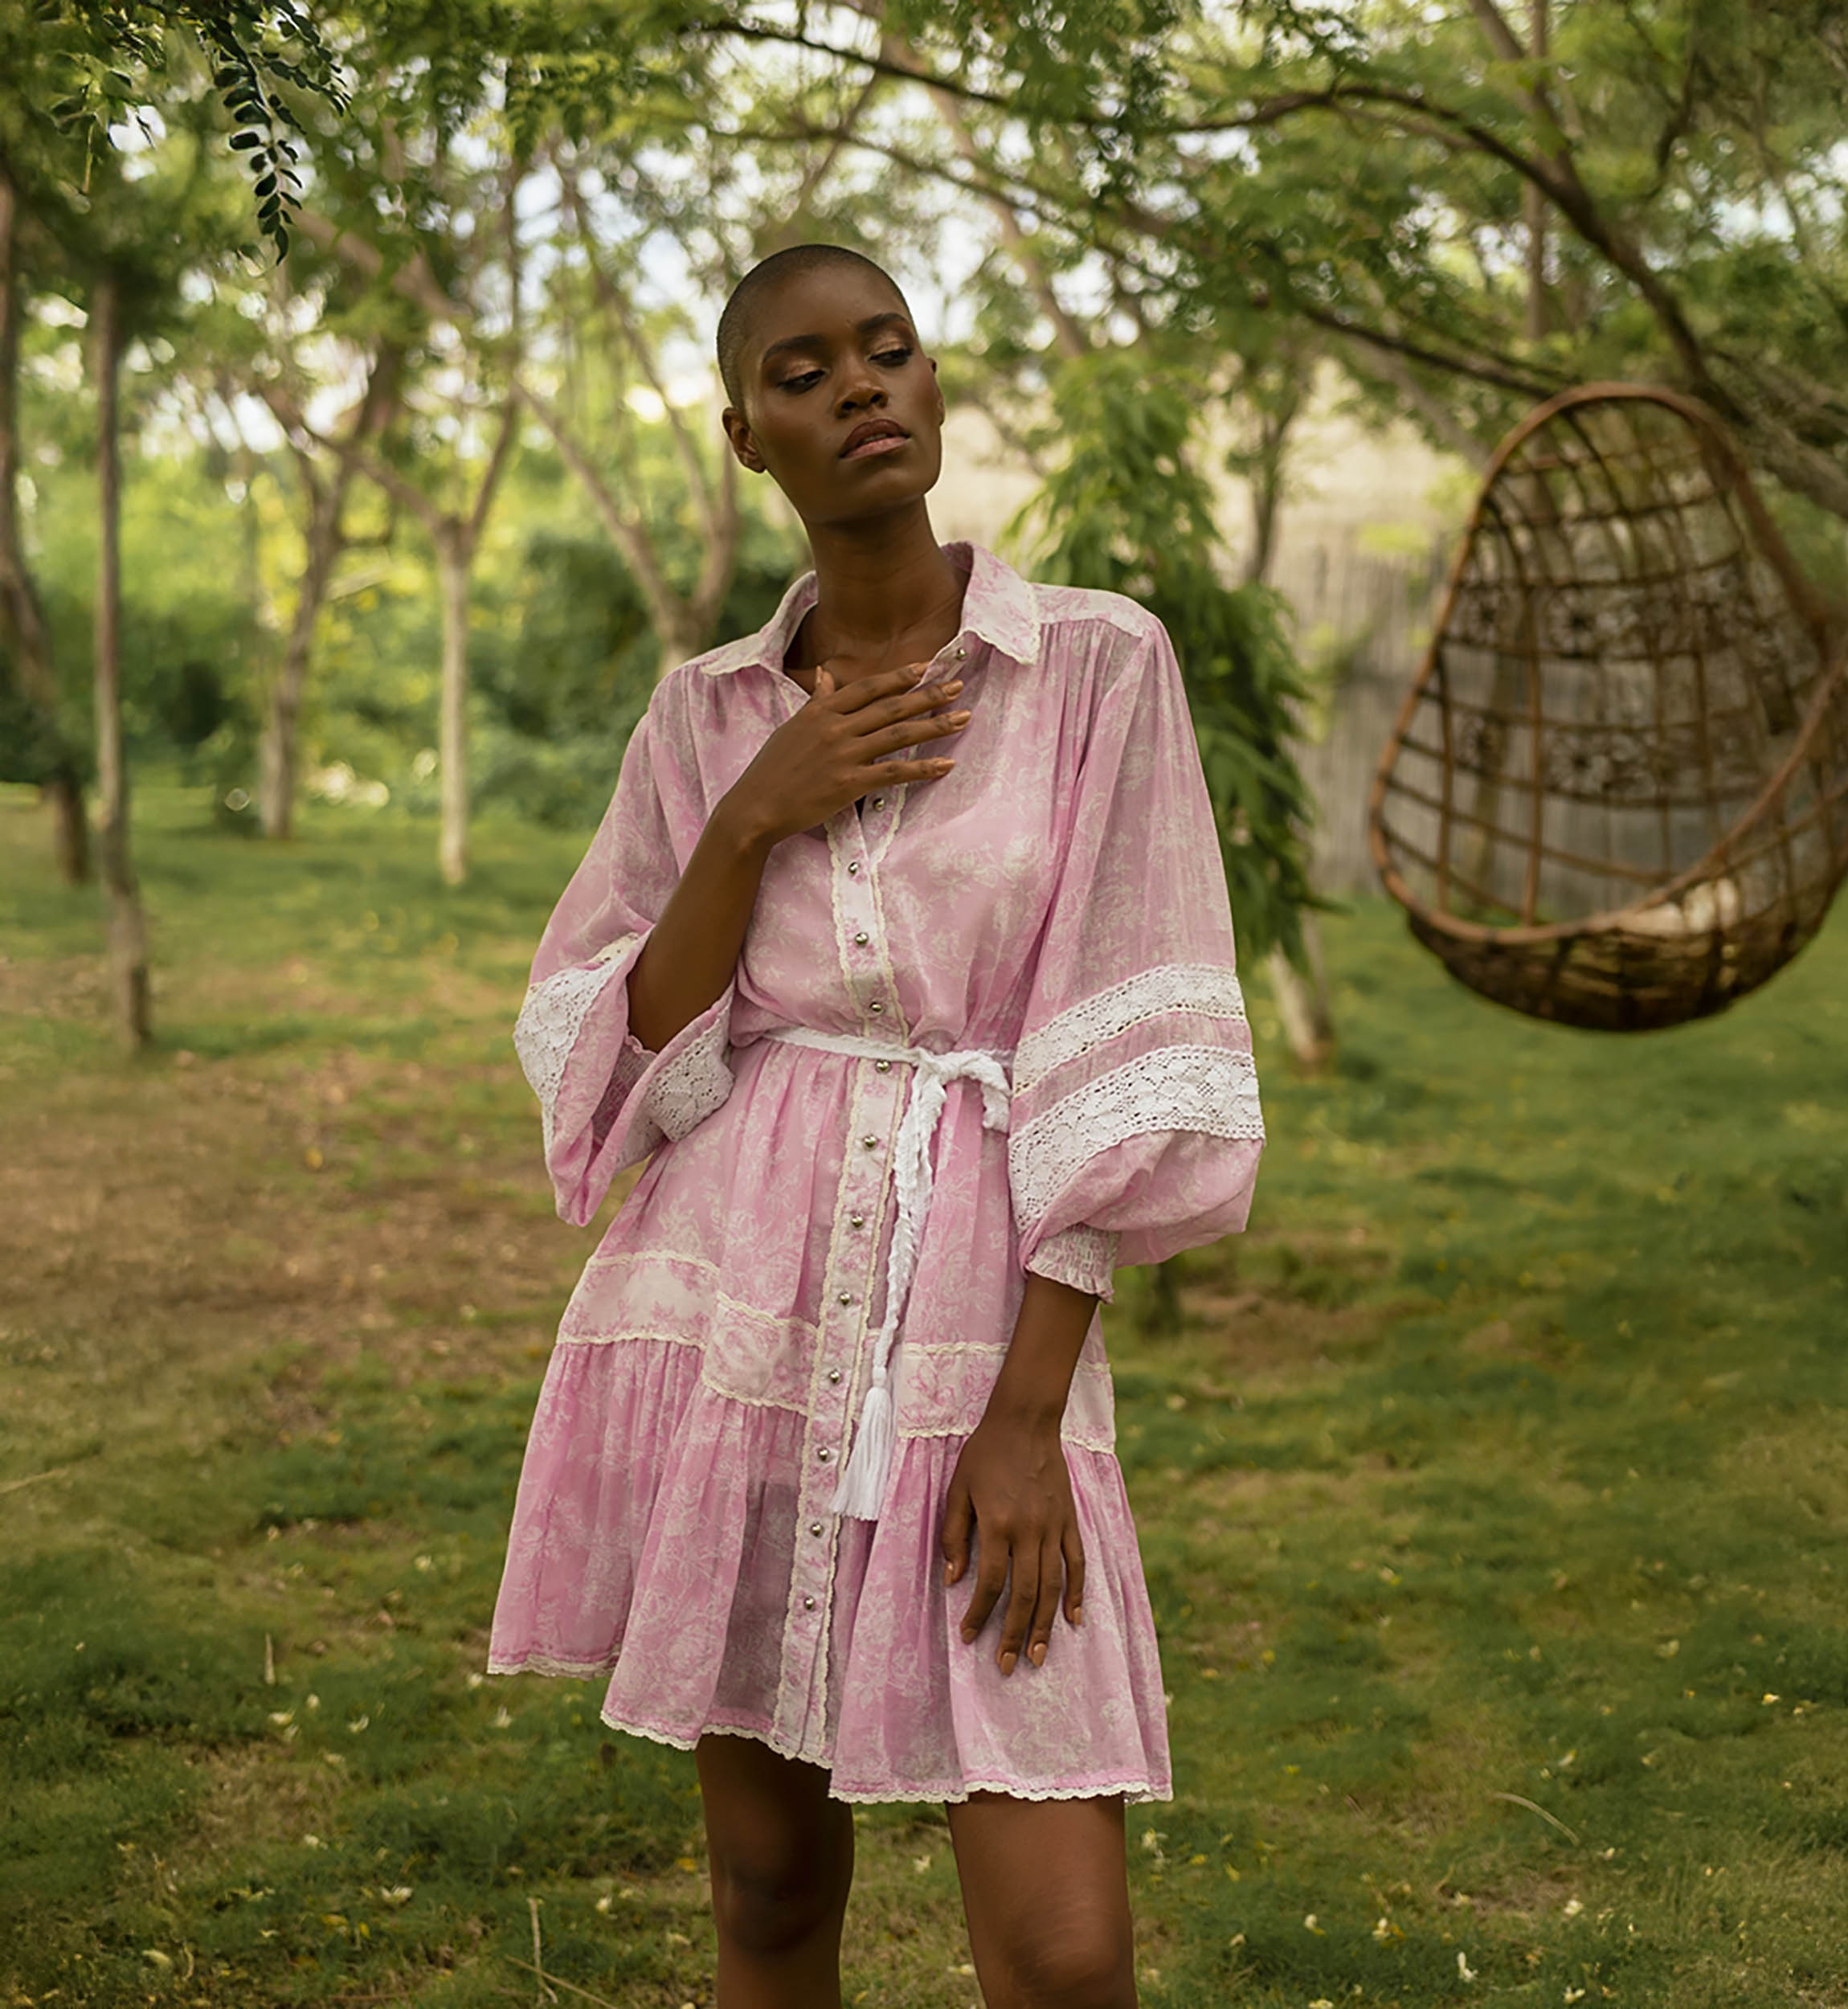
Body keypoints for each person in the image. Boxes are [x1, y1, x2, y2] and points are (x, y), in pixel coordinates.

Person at [489, 244, 1265, 2009]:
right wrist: (752, 816)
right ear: (745, 433)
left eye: (886, 352)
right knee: (766, 1886)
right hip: (734, 1307)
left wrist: (1023, 1414)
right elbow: (625, 1056)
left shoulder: (1092, 670)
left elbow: (1114, 1039)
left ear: (934, 387)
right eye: (801, 369)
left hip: (981, 1322)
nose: (855, 388)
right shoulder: (702, 714)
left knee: (1061, 1951)